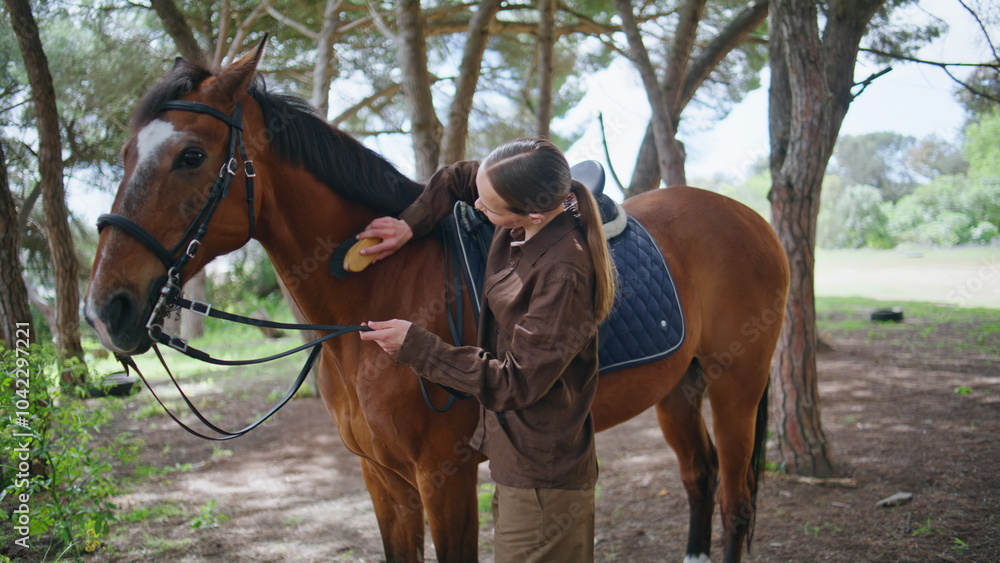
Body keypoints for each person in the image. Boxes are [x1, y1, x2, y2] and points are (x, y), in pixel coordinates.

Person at [358, 138, 615, 563]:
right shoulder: (518, 218)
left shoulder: (562, 272)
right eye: (481, 195)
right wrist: (411, 223)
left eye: (491, 208)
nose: (477, 208)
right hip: (514, 460)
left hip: (541, 473)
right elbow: (462, 177)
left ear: (532, 214)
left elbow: (516, 383)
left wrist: (417, 345)